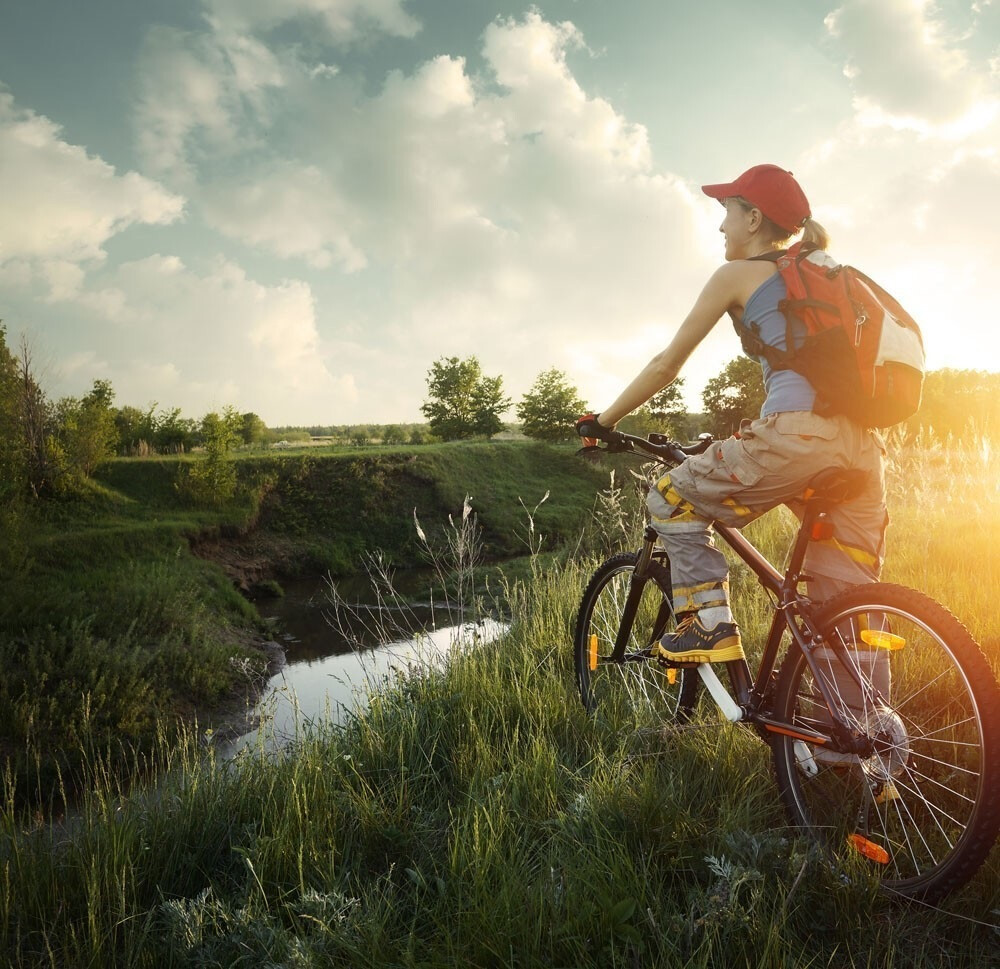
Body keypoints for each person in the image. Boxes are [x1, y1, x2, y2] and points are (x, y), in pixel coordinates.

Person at [576, 164, 887, 664]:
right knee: (844, 608)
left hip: (796, 439)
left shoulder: (737, 275)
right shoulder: (822, 277)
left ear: (754, 219)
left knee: (668, 498)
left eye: (727, 213)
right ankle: (865, 735)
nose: (721, 226)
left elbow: (666, 365)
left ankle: (709, 626)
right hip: (863, 450)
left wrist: (604, 420)